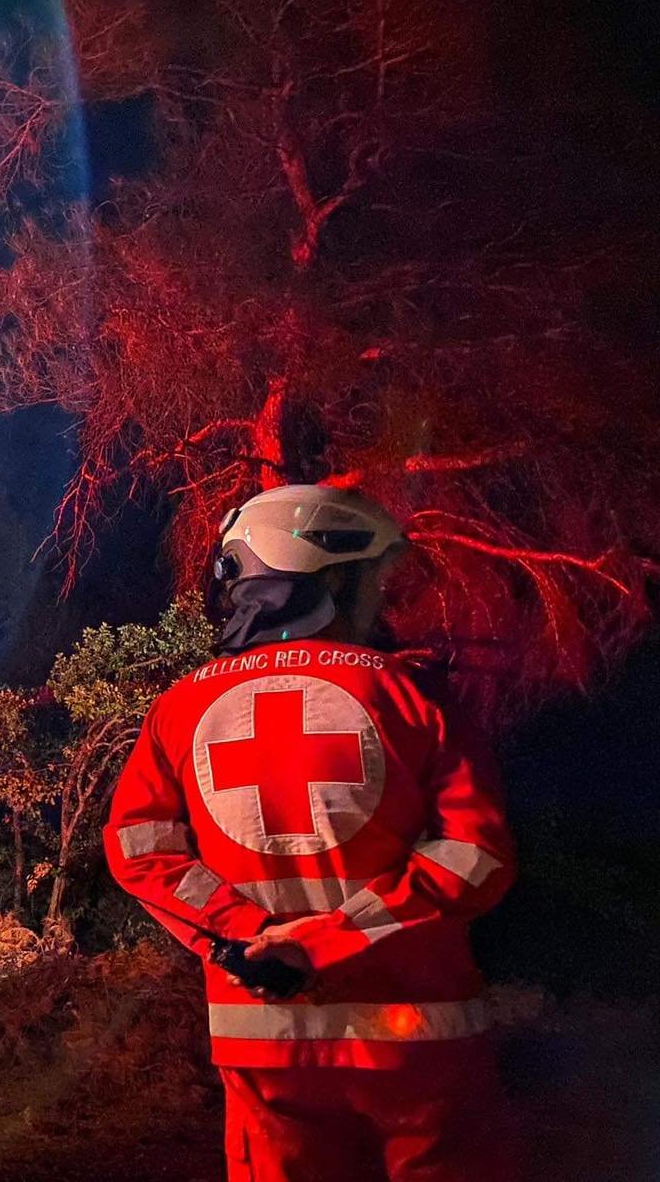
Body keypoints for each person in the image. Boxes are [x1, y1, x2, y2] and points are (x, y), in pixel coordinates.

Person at [103, 484, 518, 1182]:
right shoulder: (410, 695)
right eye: (371, 583)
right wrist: (327, 942)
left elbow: (139, 846)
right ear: (326, 581)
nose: (379, 602)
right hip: (418, 1041)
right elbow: (476, 857)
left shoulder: (180, 706)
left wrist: (247, 938)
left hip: (267, 1043)